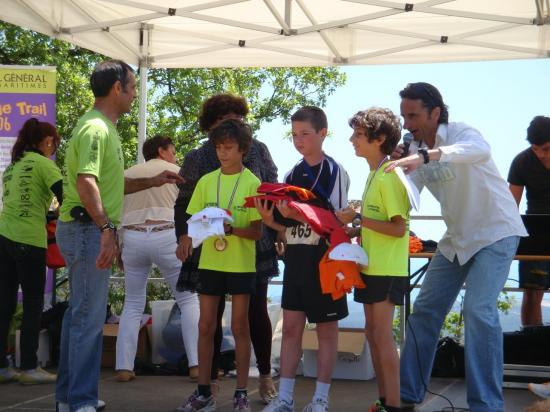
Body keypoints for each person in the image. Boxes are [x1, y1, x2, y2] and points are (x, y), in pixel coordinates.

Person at [386, 82, 527, 412]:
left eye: (413, 115)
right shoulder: (414, 149)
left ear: (435, 112)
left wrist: (427, 155)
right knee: (424, 311)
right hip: (456, 239)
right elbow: (411, 196)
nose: (407, 123)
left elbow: (481, 152)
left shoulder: (463, 132)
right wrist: (396, 168)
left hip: (496, 233)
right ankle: (407, 393)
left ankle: (486, 405)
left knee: (478, 311)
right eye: (404, 116)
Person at [54, 60, 182, 412]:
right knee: (87, 317)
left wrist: (152, 181)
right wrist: (107, 229)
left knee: (79, 314)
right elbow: (86, 183)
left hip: (85, 228)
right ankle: (78, 399)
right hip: (86, 229)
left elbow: (112, 183)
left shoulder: (101, 128)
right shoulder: (96, 129)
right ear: (117, 88)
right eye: (132, 87)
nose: (134, 94)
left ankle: (69, 397)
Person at [174, 93, 279, 404]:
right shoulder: (197, 159)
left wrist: (278, 232)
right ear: (212, 125)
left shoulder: (258, 150)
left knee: (254, 314)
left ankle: (261, 378)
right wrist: (184, 236)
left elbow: (272, 194)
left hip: (250, 248)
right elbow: (184, 205)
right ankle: (209, 385)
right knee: (209, 319)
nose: (231, 128)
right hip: (209, 248)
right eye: (224, 122)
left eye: (237, 119)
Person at [257, 106, 350, 412]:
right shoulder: (290, 174)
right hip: (296, 255)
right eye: (294, 134)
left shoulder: (336, 171)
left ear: (323, 133)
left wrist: (297, 213)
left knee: (326, 330)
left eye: (305, 134)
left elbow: (336, 220)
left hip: (325, 256)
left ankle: (321, 400)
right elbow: (286, 228)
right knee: (292, 327)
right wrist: (270, 219)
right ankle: (285, 398)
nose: (299, 140)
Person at [336, 108, 409, 412]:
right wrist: (353, 226)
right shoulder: (375, 172)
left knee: (381, 336)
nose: (352, 139)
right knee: (373, 335)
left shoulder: (389, 175)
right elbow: (375, 221)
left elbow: (398, 227)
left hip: (387, 268)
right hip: (371, 266)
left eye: (359, 134)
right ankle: (384, 401)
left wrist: (358, 217)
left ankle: (393, 404)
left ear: (379, 139)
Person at [115, 135, 199, 382]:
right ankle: (197, 364)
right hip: (167, 234)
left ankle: (123, 366)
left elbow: (117, 210)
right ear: (162, 151)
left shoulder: (128, 174)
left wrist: (119, 245)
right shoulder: (177, 171)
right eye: (173, 151)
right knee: (187, 299)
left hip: (132, 236)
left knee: (132, 303)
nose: (175, 156)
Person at [0, 118, 62, 385]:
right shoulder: (43, 164)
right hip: (29, 239)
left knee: (4, 304)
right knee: (34, 303)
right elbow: (66, 195)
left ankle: (3, 367)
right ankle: (28, 366)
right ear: (47, 141)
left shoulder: (11, 169)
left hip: (4, 238)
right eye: (54, 144)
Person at [508, 115, 550, 327]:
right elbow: (510, 207)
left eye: (546, 149)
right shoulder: (522, 161)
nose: (541, 155)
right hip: (536, 233)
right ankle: (533, 348)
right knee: (533, 294)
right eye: (536, 149)